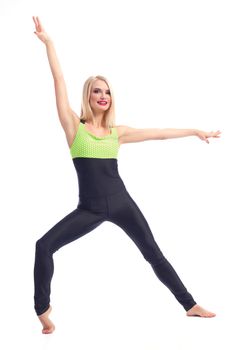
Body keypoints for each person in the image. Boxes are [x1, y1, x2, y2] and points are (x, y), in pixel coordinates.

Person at [32, 16, 220, 334]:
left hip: (121, 203)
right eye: (96, 92)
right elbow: (59, 80)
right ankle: (43, 311)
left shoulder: (117, 133)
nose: (103, 96)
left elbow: (158, 133)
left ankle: (190, 306)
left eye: (106, 92)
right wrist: (49, 43)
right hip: (89, 208)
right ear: (88, 97)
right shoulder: (73, 126)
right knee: (43, 245)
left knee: (153, 253)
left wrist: (194, 131)